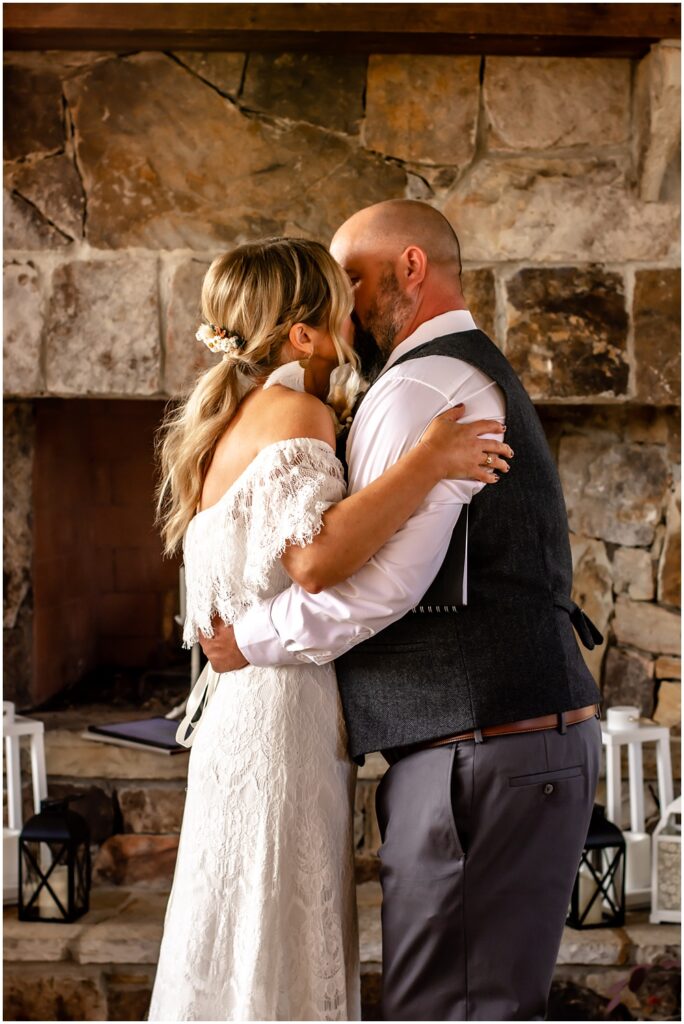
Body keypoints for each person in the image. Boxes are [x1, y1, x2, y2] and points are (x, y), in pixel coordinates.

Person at [199, 201, 604, 1022]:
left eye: (350, 278)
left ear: (411, 269)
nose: (340, 303)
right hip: (479, 743)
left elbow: (373, 589)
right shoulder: (418, 380)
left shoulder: (421, 386)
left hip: (479, 749)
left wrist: (243, 640)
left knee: (450, 1008)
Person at [147, 236, 512, 1022]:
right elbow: (315, 563)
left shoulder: (225, 423)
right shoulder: (301, 412)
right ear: (304, 335)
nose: (357, 313)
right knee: (281, 910)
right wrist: (429, 459)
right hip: (284, 713)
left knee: (238, 915)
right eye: (340, 304)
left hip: (240, 713)